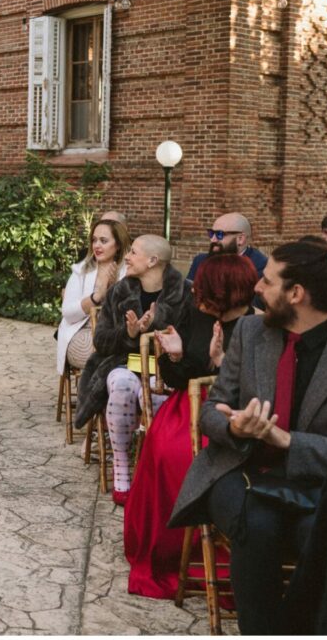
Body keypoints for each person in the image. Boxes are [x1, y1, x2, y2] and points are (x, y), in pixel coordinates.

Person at [169, 240, 327, 635]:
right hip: (240, 471)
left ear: (296, 294)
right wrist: (232, 427)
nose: (256, 289)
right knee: (258, 524)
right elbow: (212, 411)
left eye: (266, 280)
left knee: (321, 535)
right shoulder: (250, 332)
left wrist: (289, 442)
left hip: (321, 487)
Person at [124, 253, 258, 599]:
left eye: (203, 286)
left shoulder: (258, 326)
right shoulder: (195, 316)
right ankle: (168, 550)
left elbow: (258, 389)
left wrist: (220, 365)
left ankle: (218, 551)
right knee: (168, 450)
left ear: (223, 289)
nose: (195, 291)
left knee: (188, 456)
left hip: (235, 413)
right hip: (186, 405)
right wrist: (176, 356)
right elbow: (173, 379)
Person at [75, 235, 191, 504]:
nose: (126, 257)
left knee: (154, 395)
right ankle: (122, 470)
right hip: (122, 365)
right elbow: (100, 341)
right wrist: (128, 334)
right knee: (123, 385)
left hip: (168, 371)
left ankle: (156, 473)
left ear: (152, 260)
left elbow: (192, 342)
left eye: (134, 253)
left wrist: (159, 329)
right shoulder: (119, 291)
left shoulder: (186, 293)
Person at [57, 219, 129, 376]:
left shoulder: (128, 272)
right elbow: (68, 313)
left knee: (121, 354)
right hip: (82, 333)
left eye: (103, 241)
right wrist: (98, 296)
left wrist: (113, 289)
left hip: (116, 334)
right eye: (94, 240)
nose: (97, 246)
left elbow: (128, 314)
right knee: (106, 357)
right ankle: (99, 396)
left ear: (118, 245)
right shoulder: (81, 271)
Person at [186, 212, 268, 280]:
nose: (213, 239)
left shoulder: (258, 266)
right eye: (211, 233)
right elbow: (189, 295)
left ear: (240, 239)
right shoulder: (201, 261)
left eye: (219, 234)